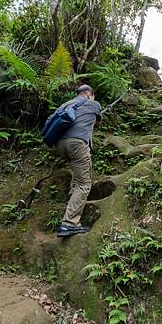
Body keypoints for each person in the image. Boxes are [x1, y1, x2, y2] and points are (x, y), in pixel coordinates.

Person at [53, 84, 101, 237]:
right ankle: (69, 223)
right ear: (89, 94)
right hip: (77, 143)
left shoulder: (65, 105)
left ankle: (72, 199)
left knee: (77, 172)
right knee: (84, 183)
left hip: (60, 146)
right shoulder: (93, 104)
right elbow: (97, 119)